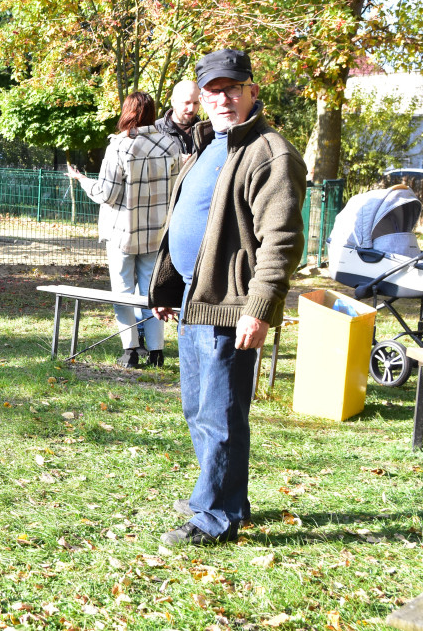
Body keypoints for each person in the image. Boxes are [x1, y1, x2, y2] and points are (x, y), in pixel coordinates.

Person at [149, 49, 307, 546]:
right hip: (197, 296)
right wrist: (170, 285)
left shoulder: (269, 152)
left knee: (220, 411)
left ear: (252, 92)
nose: (223, 98)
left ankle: (215, 516)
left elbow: (280, 240)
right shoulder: (207, 144)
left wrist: (258, 308)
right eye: (213, 91)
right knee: (199, 407)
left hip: (231, 301)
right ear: (201, 96)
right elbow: (192, 220)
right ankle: (220, 496)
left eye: (233, 88)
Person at [68, 91, 182, 368]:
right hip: (157, 233)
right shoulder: (171, 144)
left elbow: (106, 193)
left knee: (122, 291)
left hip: (122, 232)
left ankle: (130, 350)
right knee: (152, 293)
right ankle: (156, 352)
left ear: (128, 112)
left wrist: (82, 179)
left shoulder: (120, 145)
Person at [155, 80, 201, 154]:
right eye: (187, 103)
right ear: (173, 101)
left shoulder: (207, 131)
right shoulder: (155, 130)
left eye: (196, 103)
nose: (191, 109)